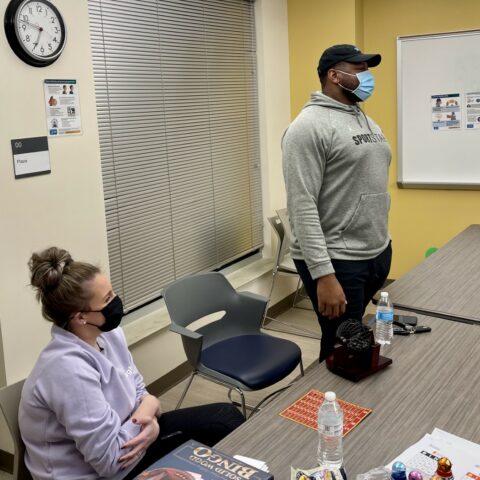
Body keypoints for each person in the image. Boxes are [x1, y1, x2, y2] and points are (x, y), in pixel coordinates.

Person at [19, 247, 244, 480]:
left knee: (226, 418)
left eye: (113, 292)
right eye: (107, 299)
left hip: (132, 440)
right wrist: (149, 425)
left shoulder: (109, 334)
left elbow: (138, 390)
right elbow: (110, 462)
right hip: (103, 471)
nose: (116, 302)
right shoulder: (67, 371)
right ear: (80, 317)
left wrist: (149, 407)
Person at [282, 44, 392, 362]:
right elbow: (301, 206)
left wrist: (382, 243)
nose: (367, 77)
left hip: (373, 250)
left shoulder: (364, 119)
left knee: (356, 339)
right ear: (334, 75)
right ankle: (328, 406)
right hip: (337, 260)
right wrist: (324, 276)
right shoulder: (307, 128)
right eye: (359, 70)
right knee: (341, 345)